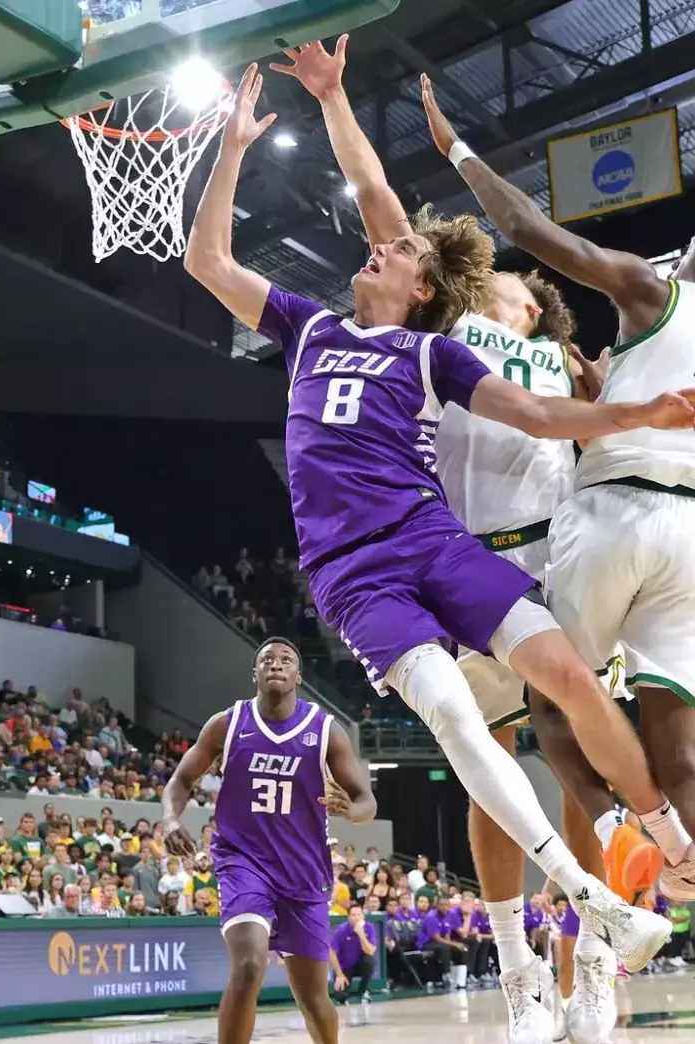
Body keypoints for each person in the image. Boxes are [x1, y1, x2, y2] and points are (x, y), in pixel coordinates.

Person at [185, 60, 681, 986]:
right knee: (460, 722)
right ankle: (586, 905)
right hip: (358, 568)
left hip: (453, 542)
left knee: (571, 683)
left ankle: (659, 841)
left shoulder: (467, 350)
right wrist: (269, 129)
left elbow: (542, 415)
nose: (383, 246)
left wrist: (630, 412)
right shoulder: (316, 327)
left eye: (401, 250)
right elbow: (217, 259)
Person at [420, 80, 695, 1042]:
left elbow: (612, 424)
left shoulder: (580, 367)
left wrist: (609, 393)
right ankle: (518, 969)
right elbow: (408, 234)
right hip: (467, 562)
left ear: (539, 311)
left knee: (581, 729)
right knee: (489, 768)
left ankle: (591, 963)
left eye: (519, 287)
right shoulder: (448, 340)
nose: (504, 284)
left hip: (567, 549)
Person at [162, 636, 376, 1044]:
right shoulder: (227, 723)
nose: (276, 664)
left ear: (298, 676)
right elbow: (181, 779)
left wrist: (352, 810)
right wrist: (171, 820)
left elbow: (367, 800)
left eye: (286, 659)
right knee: (248, 967)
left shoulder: (325, 729)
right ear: (255, 673)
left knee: (313, 998)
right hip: (243, 861)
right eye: (267, 659)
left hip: (304, 870)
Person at [329, 904, 378, 1004]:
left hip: (359, 964)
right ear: (348, 917)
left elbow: (371, 951)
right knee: (340, 996)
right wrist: (339, 975)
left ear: (363, 916)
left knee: (369, 961)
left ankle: (363, 991)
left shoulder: (369, 927)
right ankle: (344, 992)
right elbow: (332, 953)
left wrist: (361, 935)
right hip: (345, 967)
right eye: (353, 915)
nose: (356, 918)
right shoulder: (342, 930)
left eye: (359, 914)